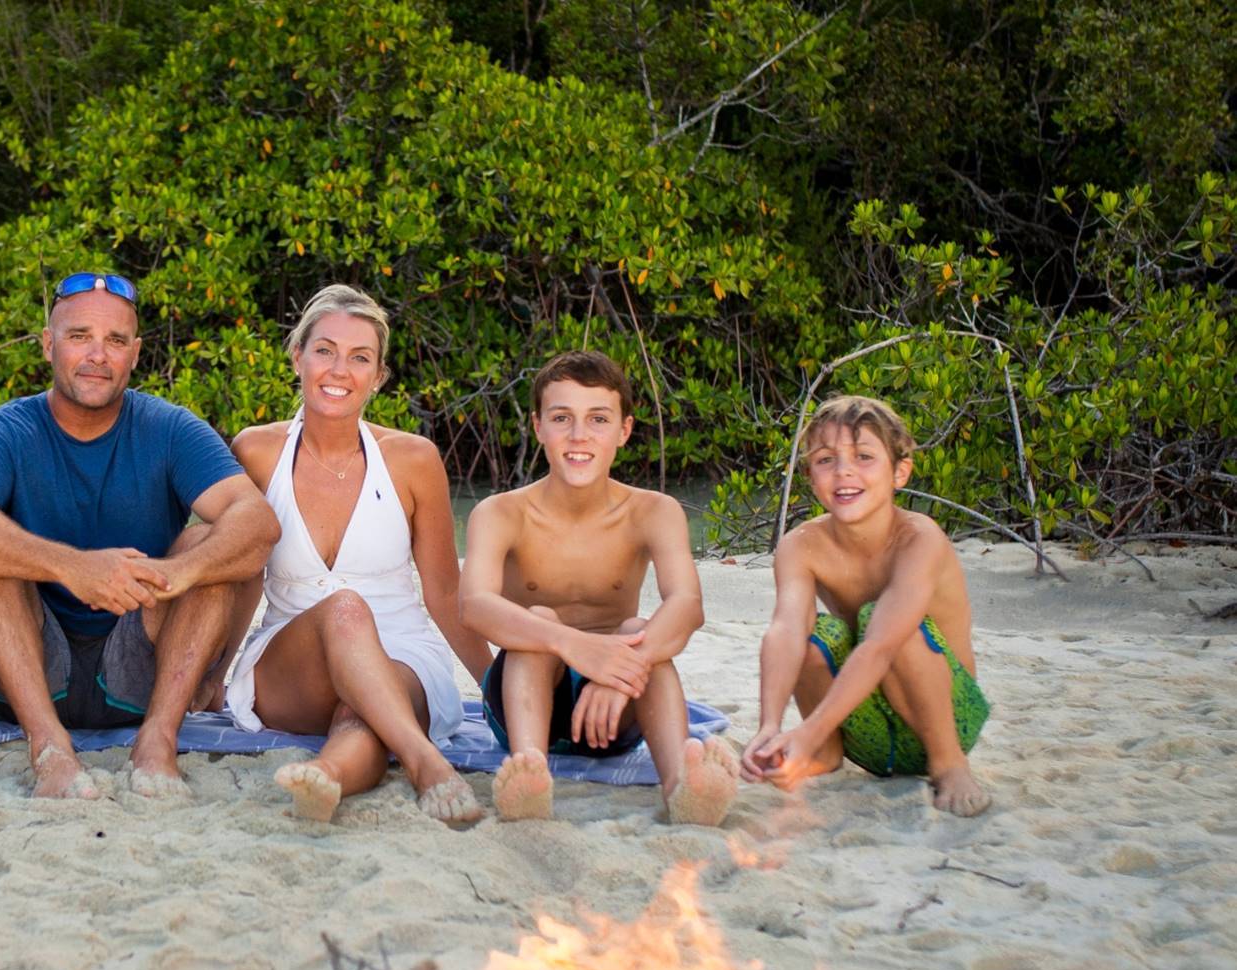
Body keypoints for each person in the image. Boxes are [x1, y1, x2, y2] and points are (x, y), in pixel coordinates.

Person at [0, 272, 280, 799]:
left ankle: (156, 744)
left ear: (134, 354)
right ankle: (49, 752)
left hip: (143, 670)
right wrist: (72, 567)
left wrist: (177, 572)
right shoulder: (6, 429)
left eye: (115, 341)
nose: (98, 355)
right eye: (79, 337)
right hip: (22, 673)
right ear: (48, 344)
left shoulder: (171, 428)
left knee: (209, 544)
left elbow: (257, 524)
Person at [223, 284, 489, 823]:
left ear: (379, 375)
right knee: (345, 609)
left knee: (362, 711)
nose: (339, 370)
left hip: (402, 652)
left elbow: (443, 591)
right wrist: (210, 677)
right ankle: (426, 763)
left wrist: (497, 689)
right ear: (298, 356)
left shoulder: (414, 459)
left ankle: (328, 778)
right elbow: (240, 576)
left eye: (359, 357)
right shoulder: (256, 450)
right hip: (292, 655)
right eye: (325, 350)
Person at [460, 350, 739, 824]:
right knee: (538, 621)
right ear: (538, 426)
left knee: (637, 627)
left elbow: (688, 605)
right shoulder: (501, 512)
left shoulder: (654, 511)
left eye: (598, 419)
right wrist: (576, 647)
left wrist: (624, 667)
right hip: (525, 701)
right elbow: (474, 606)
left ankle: (682, 788)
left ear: (624, 430)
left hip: (614, 711)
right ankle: (528, 774)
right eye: (562, 418)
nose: (578, 435)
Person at [741, 395, 992, 815]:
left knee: (883, 620)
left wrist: (810, 726)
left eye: (864, 456)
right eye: (825, 460)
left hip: (945, 718)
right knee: (815, 633)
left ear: (900, 472)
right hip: (868, 734)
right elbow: (785, 630)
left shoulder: (919, 538)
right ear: (809, 475)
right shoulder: (800, 546)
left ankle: (949, 765)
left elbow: (880, 645)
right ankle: (821, 752)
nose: (844, 471)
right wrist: (771, 725)